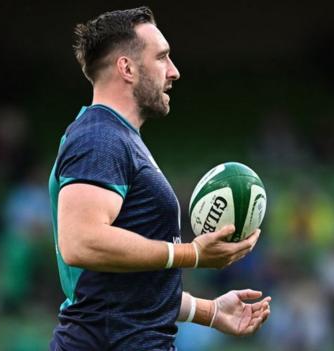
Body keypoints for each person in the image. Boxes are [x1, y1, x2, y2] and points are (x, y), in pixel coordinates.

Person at [49, 7, 270, 350]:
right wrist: (191, 255)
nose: (174, 71)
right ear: (127, 67)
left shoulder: (119, 139)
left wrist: (209, 311)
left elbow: (125, 289)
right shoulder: (100, 138)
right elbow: (81, 242)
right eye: (163, 57)